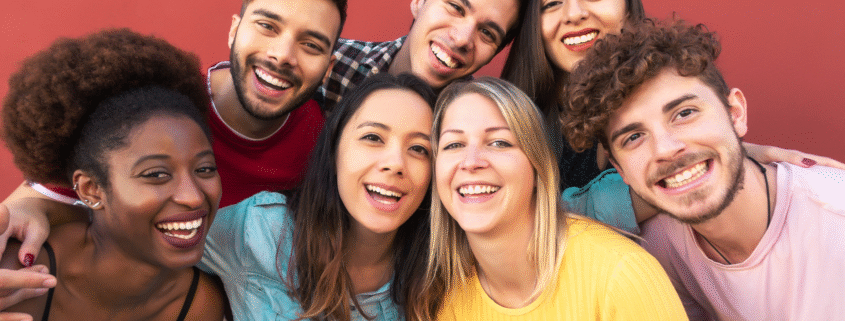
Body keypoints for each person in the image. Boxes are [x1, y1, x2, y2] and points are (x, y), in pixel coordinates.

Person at [562, 20, 845, 320]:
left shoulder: (834, 211)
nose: (666, 149)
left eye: (684, 113)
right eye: (634, 137)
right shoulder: (657, 247)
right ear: (621, 171)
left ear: (735, 114)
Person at [500, 0, 845, 230]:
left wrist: (726, 156)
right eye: (551, 2)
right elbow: (528, 225)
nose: (573, 13)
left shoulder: (678, 83)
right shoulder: (508, 123)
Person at [0, 29, 227, 320]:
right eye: (156, 174)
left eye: (205, 169)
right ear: (91, 189)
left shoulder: (198, 304)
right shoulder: (17, 275)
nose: (193, 196)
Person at [424, 77, 687, 320]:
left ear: (539, 168)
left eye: (499, 143)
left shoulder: (620, 276)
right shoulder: (446, 300)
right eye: (453, 145)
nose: (471, 162)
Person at [199, 73, 440, 320]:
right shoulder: (262, 231)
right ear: (334, 148)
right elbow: (164, 251)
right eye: (373, 138)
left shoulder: (440, 277)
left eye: (419, 149)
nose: (395, 163)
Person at [317, 0, 529, 112]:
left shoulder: (474, 127)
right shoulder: (330, 63)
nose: (463, 39)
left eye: (487, 33)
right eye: (455, 7)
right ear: (419, 1)